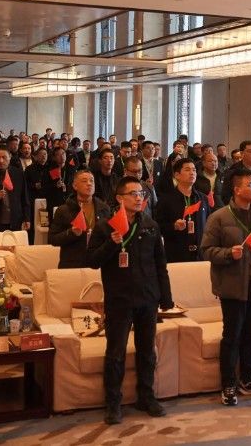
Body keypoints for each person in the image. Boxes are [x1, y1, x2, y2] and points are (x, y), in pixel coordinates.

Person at [85, 176, 173, 425]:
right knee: (116, 353)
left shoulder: (151, 225)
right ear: (119, 198)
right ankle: (113, 403)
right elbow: (92, 261)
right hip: (119, 299)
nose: (138, 198)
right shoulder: (106, 227)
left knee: (147, 351)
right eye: (133, 194)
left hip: (148, 297)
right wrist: (111, 244)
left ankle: (146, 396)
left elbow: (160, 264)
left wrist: (166, 297)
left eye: (141, 194)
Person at [200, 168, 251, 407]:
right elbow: (206, 250)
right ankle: (228, 384)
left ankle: (248, 378)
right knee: (232, 337)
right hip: (233, 286)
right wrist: (227, 254)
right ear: (237, 190)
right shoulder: (219, 217)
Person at [50, 170, 110, 268]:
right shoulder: (63, 210)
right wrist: (71, 233)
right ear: (75, 186)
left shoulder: (104, 208)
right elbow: (52, 239)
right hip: (73, 263)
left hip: (98, 263)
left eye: (92, 181)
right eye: (84, 181)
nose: (89, 184)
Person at [155, 158, 208, 263]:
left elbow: (208, 223)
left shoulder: (202, 198)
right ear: (177, 175)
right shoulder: (166, 200)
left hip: (200, 254)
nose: (192, 173)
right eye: (187, 170)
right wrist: (173, 226)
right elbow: (158, 227)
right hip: (176, 254)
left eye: (194, 170)